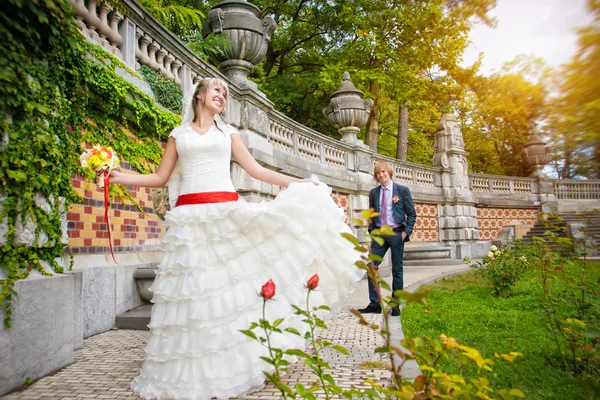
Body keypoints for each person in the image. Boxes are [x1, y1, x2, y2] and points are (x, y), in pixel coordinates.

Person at [106, 77, 364, 400]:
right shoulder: (178, 136)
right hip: (189, 224)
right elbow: (160, 177)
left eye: (226, 94)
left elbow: (256, 170)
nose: (222, 96)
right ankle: (192, 371)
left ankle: (232, 367)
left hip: (225, 216)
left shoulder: (228, 134)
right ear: (199, 95)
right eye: (217, 90)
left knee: (226, 297)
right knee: (195, 297)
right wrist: (121, 177)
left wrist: (298, 183)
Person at [358, 161, 416, 317]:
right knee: (372, 266)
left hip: (397, 233)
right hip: (379, 234)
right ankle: (375, 304)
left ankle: (395, 305)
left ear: (389, 172)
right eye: (378, 173)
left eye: (383, 172)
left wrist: (406, 233)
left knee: (397, 270)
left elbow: (412, 214)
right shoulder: (374, 193)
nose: (381, 175)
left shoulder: (402, 191)